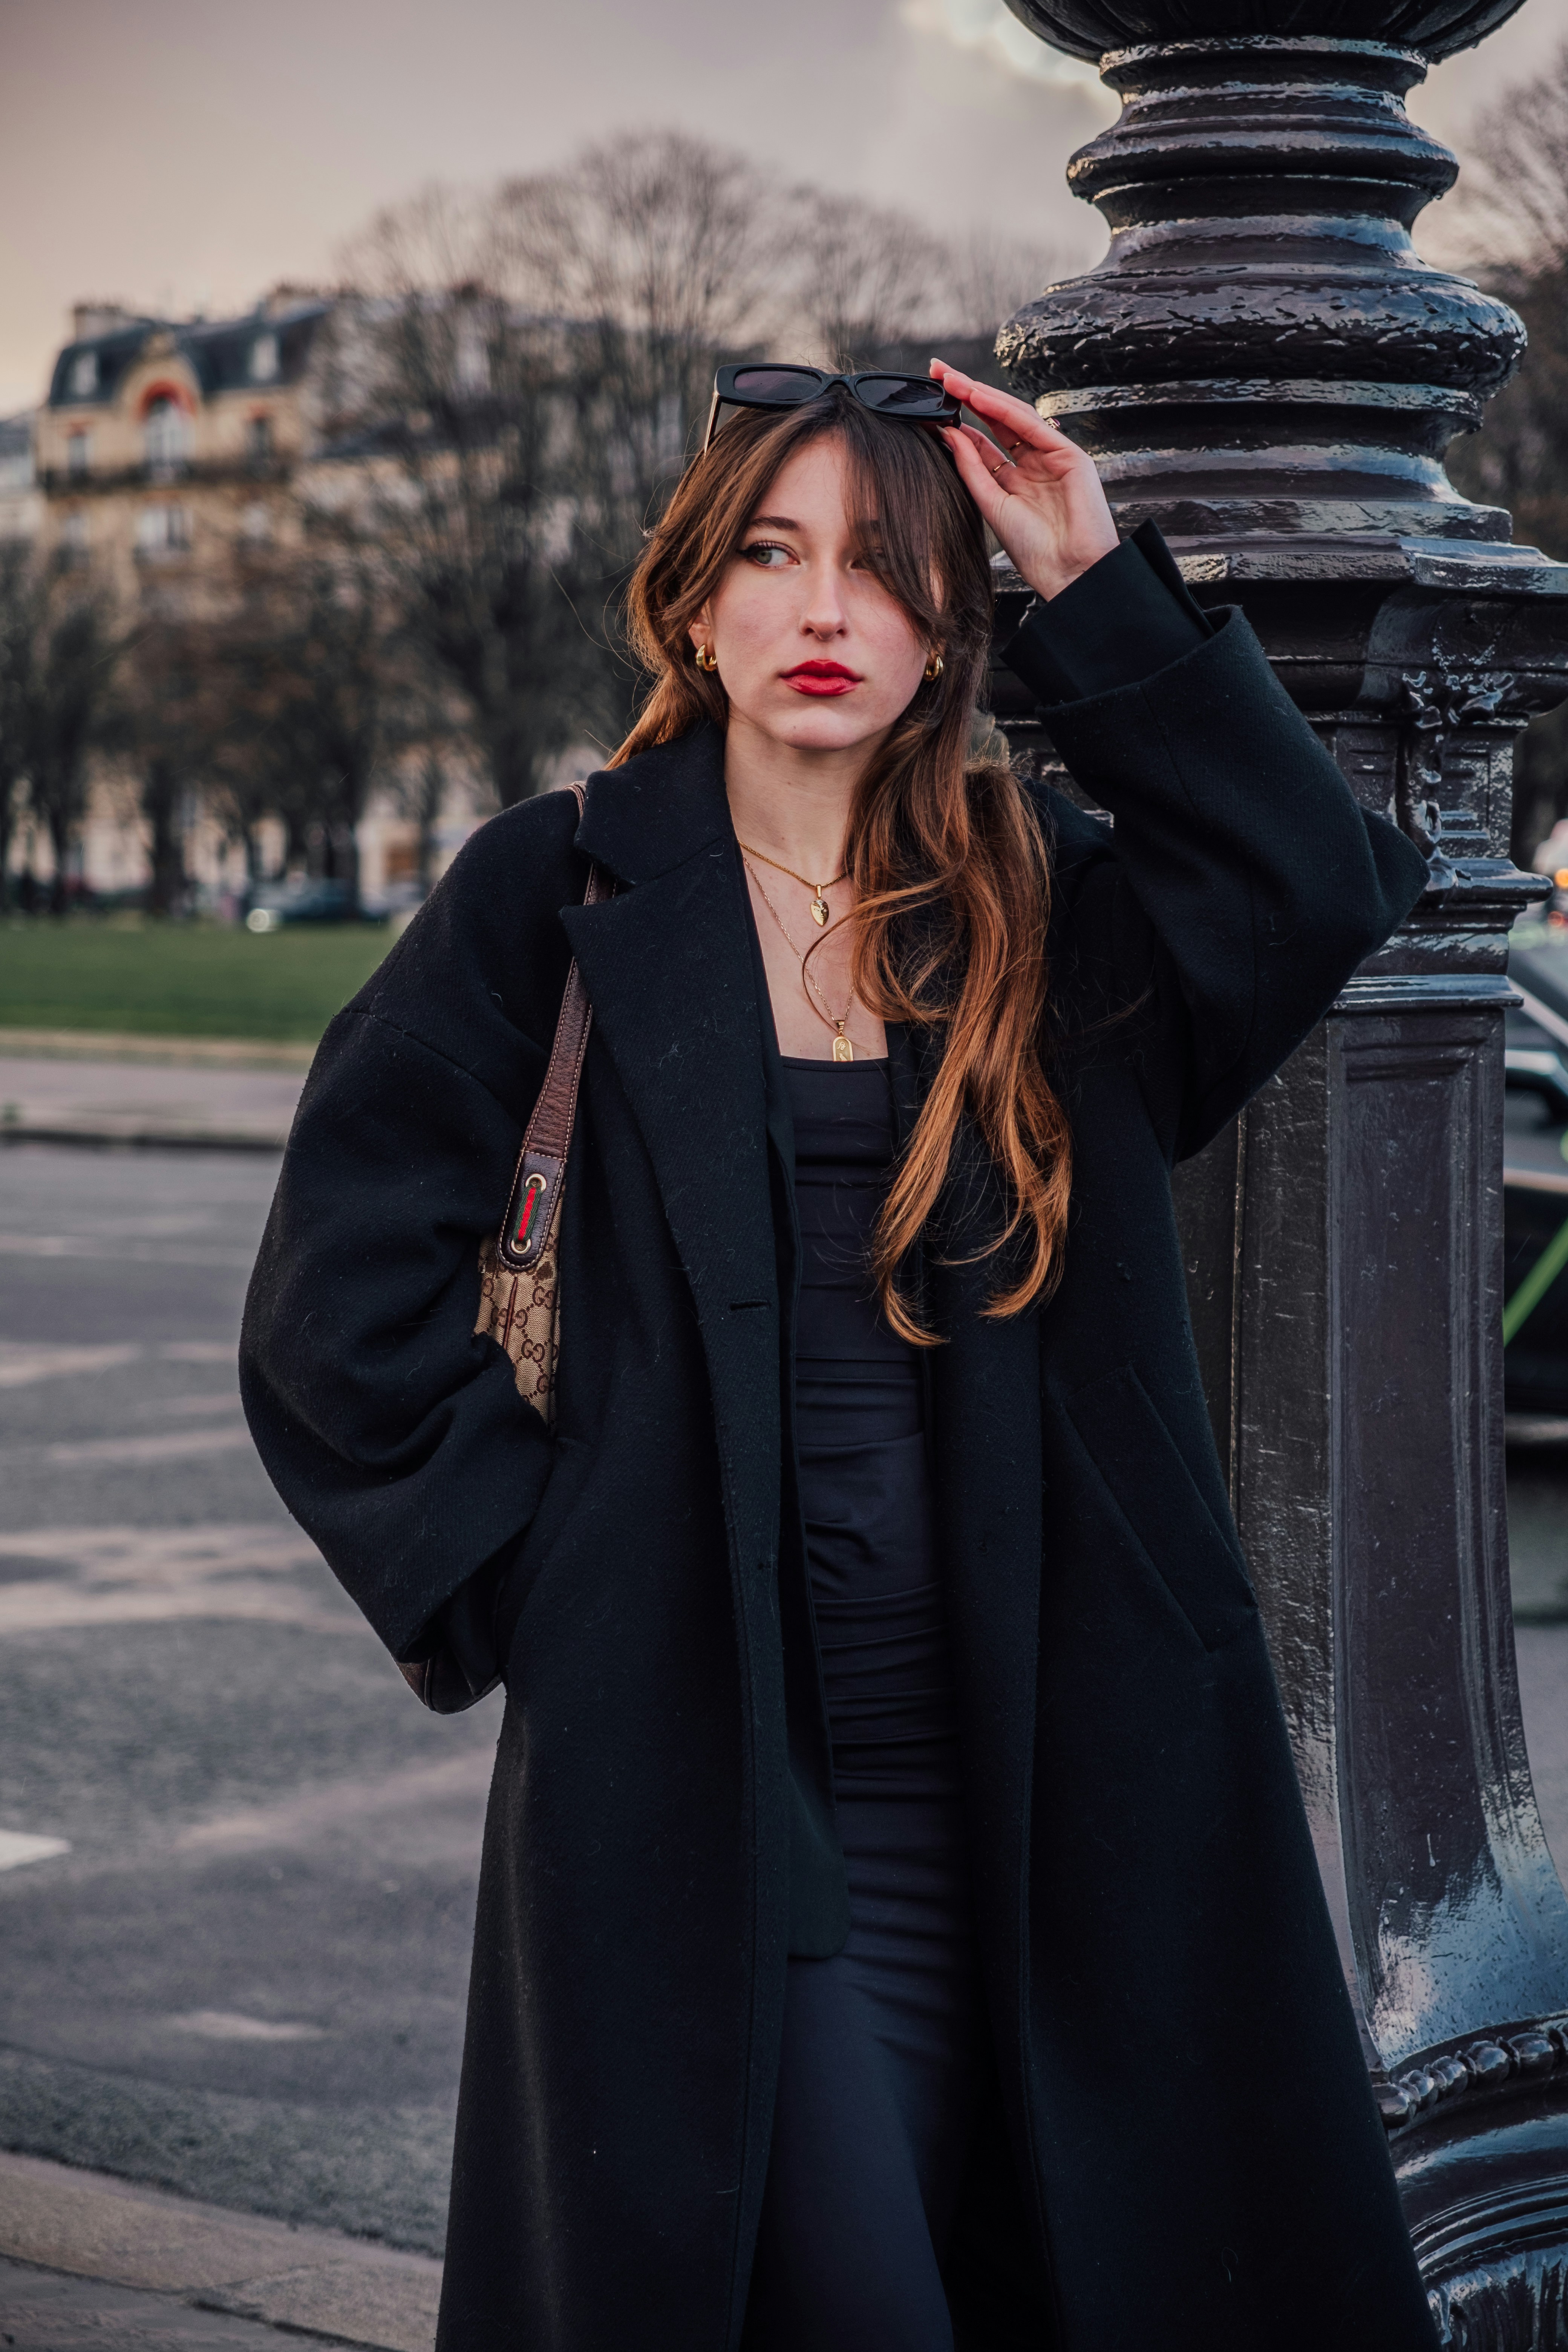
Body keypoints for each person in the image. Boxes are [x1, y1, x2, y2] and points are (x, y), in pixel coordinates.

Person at [240, 359, 1437, 2351]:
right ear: (693, 605)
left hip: (1040, 1772)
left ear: (955, 622)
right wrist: (565, 1579)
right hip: (718, 1787)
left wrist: (1095, 574)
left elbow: (1308, 891)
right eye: (774, 559)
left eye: (885, 571)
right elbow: (331, 1311)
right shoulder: (553, 894)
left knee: (1039, 2272)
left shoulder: (1042, 903)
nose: (823, 614)